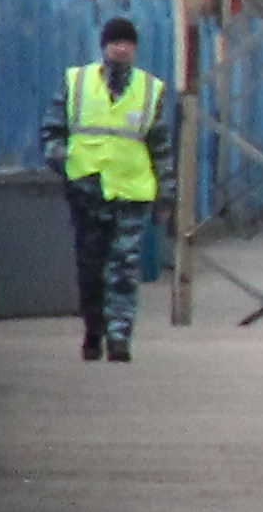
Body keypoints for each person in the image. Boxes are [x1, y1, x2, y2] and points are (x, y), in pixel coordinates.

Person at [43, 21, 172, 362]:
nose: (121, 48)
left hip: (131, 191)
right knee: (90, 265)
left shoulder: (149, 89)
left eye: (127, 42)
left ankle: (119, 336)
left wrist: (166, 194)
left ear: (135, 48)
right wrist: (65, 163)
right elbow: (52, 130)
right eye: (115, 42)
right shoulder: (78, 83)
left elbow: (161, 147)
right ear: (103, 47)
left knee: (124, 266)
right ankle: (94, 329)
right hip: (87, 189)